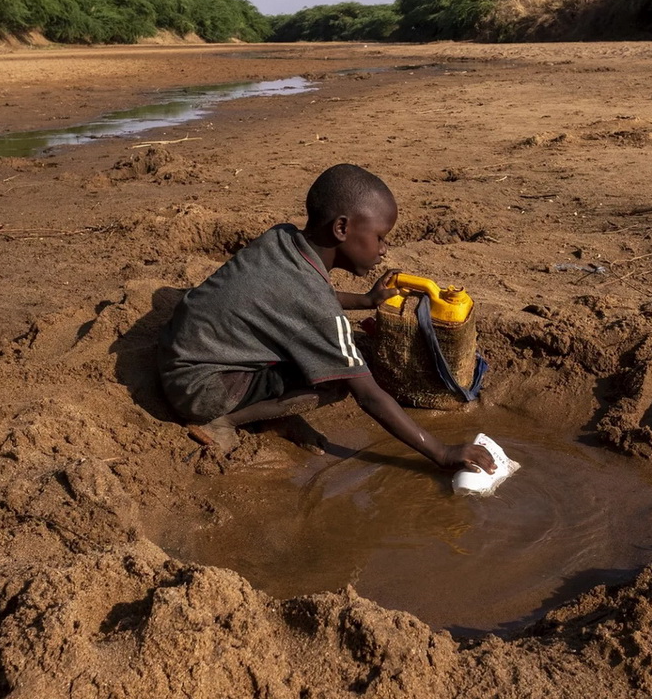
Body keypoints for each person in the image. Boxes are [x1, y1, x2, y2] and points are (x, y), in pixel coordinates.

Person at [157, 163, 495, 475]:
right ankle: (226, 420)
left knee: (321, 351)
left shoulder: (282, 238)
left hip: (181, 355)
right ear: (342, 228)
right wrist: (441, 451)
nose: (384, 249)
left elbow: (292, 300)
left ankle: (270, 414)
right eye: (379, 236)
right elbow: (368, 395)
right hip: (200, 390)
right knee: (336, 381)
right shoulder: (314, 302)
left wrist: (365, 301)